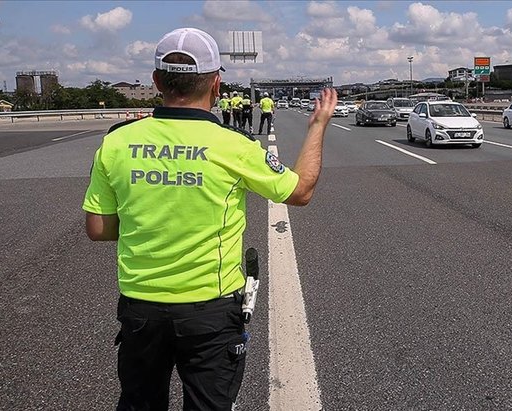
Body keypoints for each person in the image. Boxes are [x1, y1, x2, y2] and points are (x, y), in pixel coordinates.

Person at [82, 27, 337, 410]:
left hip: (141, 308)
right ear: (217, 84)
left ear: (155, 81)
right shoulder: (235, 146)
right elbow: (299, 192)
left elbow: (99, 228)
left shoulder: (116, 142)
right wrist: (317, 127)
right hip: (210, 310)